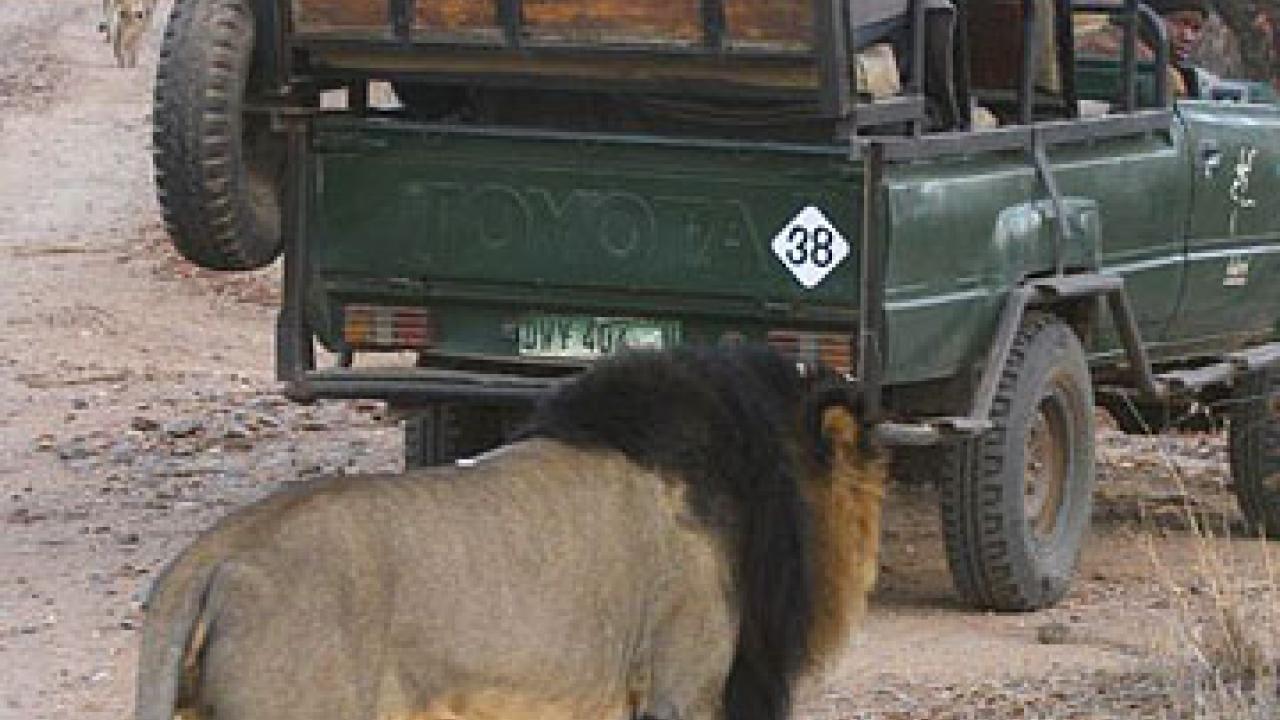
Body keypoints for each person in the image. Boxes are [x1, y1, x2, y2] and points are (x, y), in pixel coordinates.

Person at [1075, 0, 1208, 96]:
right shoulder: (1160, 75)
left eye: (1196, 29)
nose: (1188, 37)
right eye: (1180, 23)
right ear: (1148, 19)